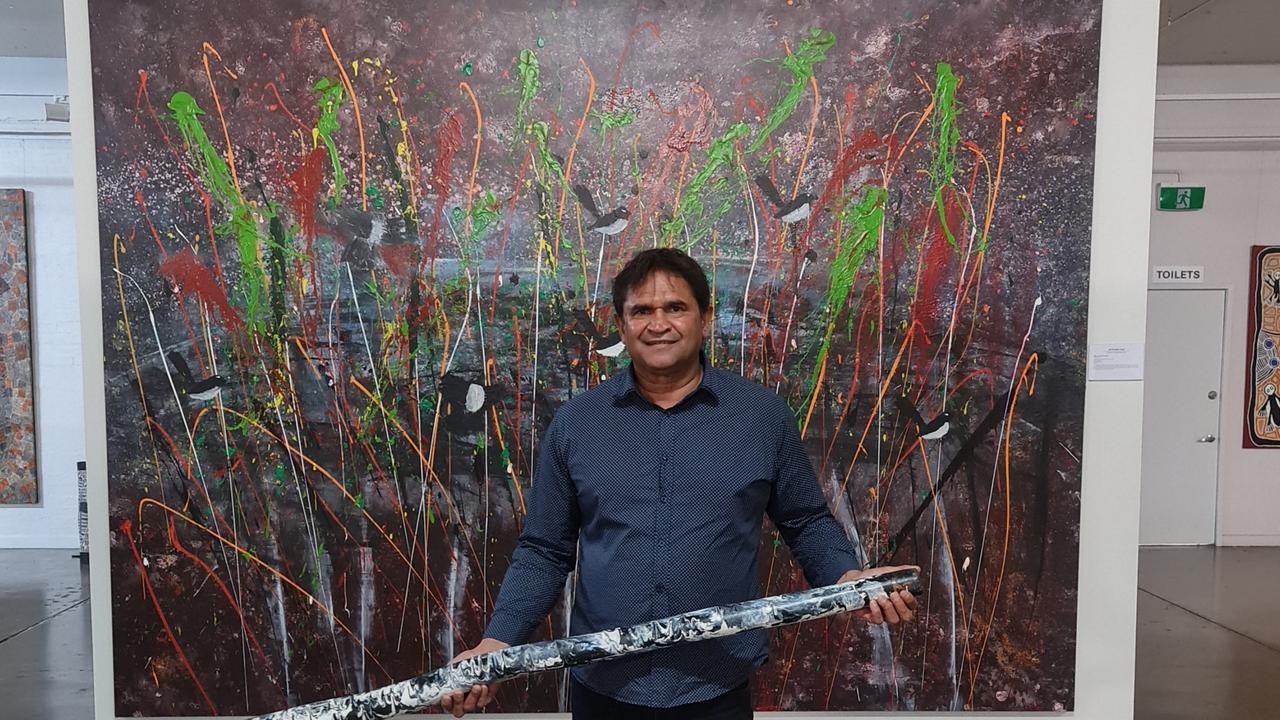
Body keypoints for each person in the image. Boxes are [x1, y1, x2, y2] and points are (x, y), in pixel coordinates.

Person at [442, 248, 918, 719]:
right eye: (641, 311)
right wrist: (495, 645)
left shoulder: (761, 416)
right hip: (605, 685)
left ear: (705, 317)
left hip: (717, 685)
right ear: (622, 323)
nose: (658, 323)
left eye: (675, 307)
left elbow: (805, 520)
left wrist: (847, 579)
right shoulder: (576, 425)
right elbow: (545, 549)